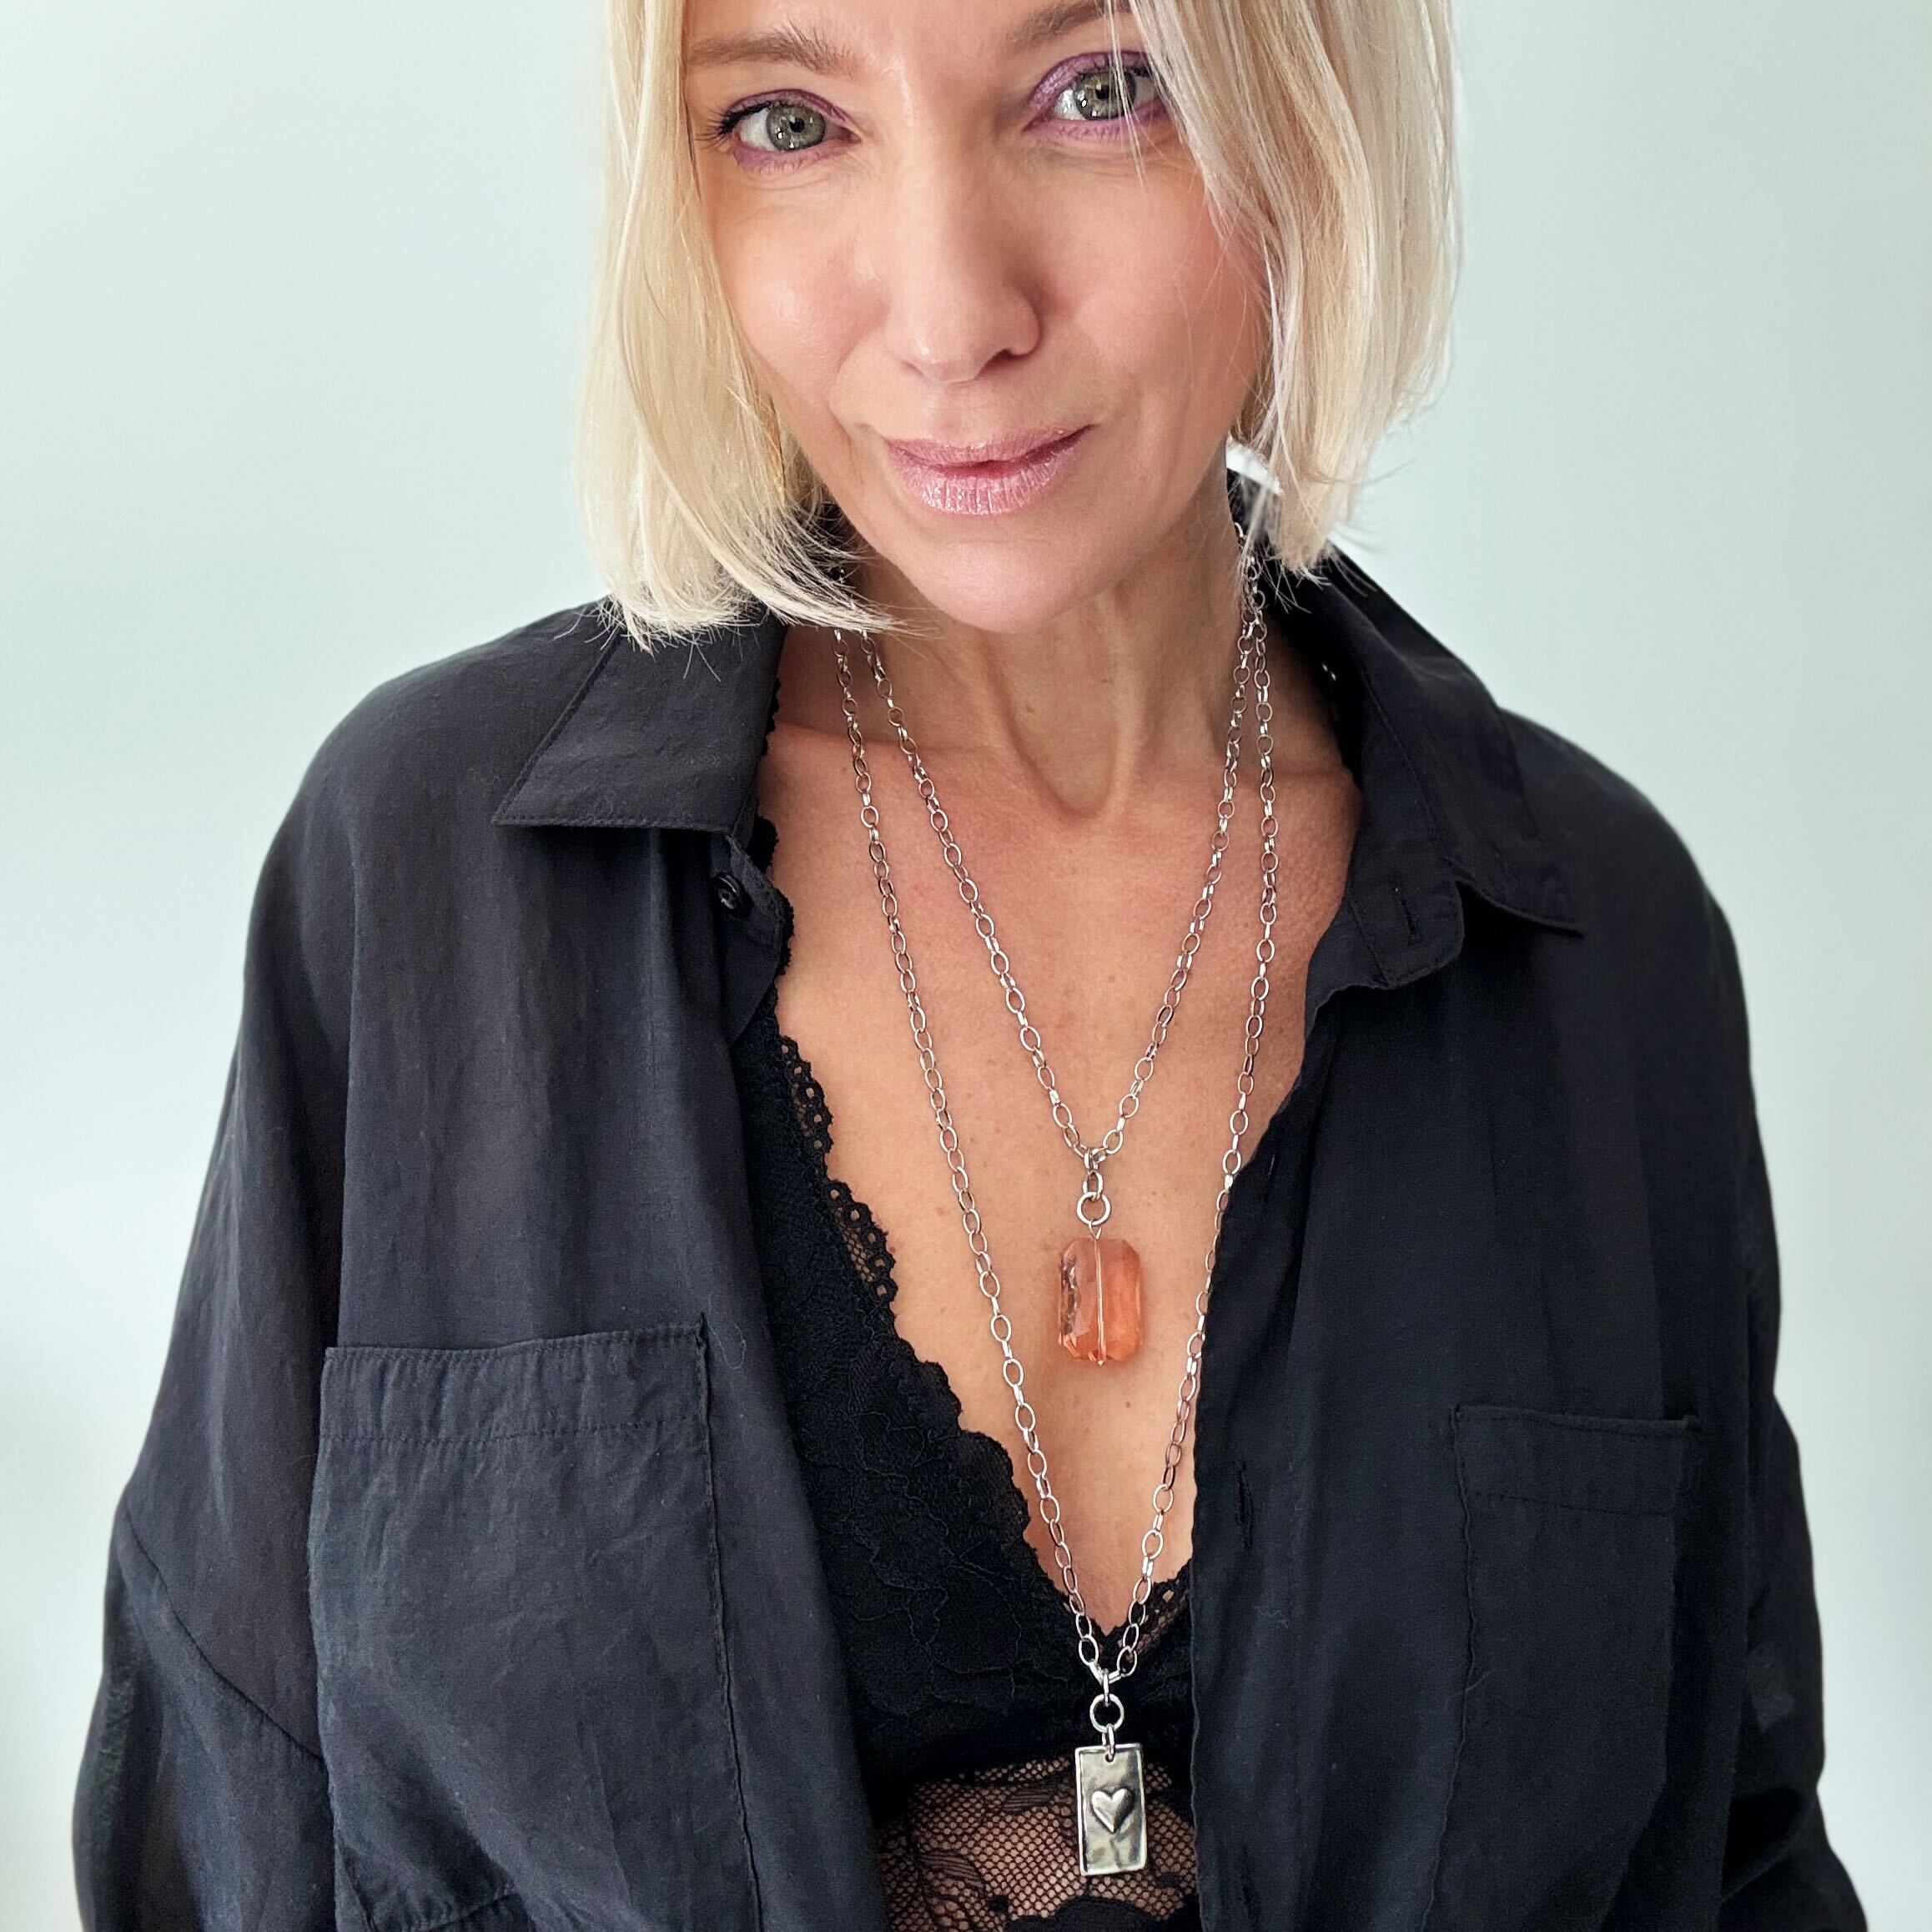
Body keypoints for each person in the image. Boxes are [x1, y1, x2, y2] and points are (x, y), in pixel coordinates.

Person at [72, 0, 1864, 1927]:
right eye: (785, 119)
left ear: (1310, 106)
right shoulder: (432, 887)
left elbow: (1733, 1863)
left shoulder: (1599, 948)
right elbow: (222, 1828)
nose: (947, 318)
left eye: (1101, 91)